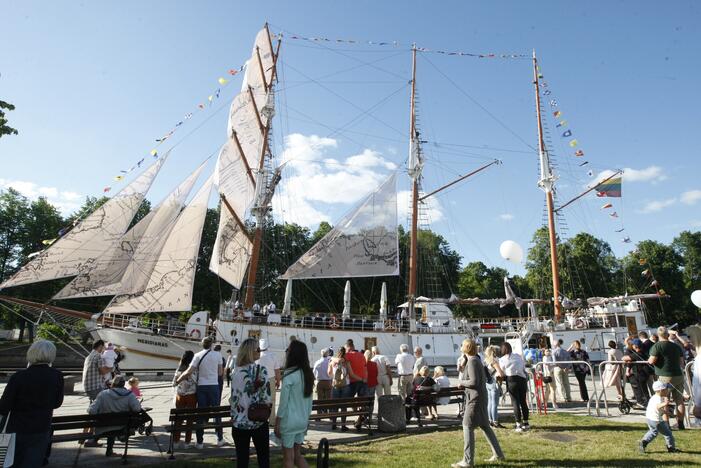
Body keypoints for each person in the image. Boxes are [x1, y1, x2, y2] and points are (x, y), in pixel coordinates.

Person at [0, 340, 64, 467]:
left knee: (12, 462)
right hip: (42, 426)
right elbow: (57, 403)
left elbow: (4, 406)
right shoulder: (57, 376)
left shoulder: (19, 376)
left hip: (17, 428)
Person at [452, 339, 505, 468]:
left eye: (462, 346)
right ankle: (498, 455)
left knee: (467, 425)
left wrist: (461, 383)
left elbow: (474, 382)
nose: (461, 348)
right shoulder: (475, 360)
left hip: (474, 400)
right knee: (485, 426)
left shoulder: (472, 361)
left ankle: (468, 461)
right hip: (480, 398)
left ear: (466, 348)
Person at [175, 337, 224, 448]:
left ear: (202, 344)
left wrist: (178, 380)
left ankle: (200, 442)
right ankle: (220, 439)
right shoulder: (218, 355)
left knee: (201, 413)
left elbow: (188, 371)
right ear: (211, 344)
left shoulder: (197, 355)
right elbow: (220, 373)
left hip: (201, 386)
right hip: (213, 386)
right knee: (216, 411)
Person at [230, 338, 272, 468]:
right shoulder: (262, 370)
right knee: (263, 458)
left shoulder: (235, 371)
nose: (260, 351)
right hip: (258, 420)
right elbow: (267, 397)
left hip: (239, 421)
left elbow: (234, 397)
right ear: (251, 352)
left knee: (242, 460)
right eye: (258, 349)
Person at [275, 340, 314, 468]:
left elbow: (283, 402)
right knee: (297, 455)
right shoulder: (308, 374)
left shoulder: (289, 374)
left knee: (288, 457)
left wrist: (277, 421)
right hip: (302, 420)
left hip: (289, 421)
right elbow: (309, 402)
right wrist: (306, 419)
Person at [88, 375, 143, 456]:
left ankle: (99, 443)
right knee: (114, 425)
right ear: (123, 385)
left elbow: (91, 411)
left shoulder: (103, 394)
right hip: (121, 427)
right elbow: (137, 409)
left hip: (103, 426)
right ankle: (112, 447)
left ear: (112, 384)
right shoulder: (130, 395)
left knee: (110, 424)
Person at [648, 326, 686, 429]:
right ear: (668, 334)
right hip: (678, 375)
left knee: (664, 401)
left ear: (658, 335)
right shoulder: (676, 346)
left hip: (665, 376)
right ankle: (681, 423)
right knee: (679, 401)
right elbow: (682, 363)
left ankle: (666, 425)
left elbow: (651, 361)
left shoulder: (657, 346)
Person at [493, 342, 529, 431]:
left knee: (515, 402)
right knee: (523, 401)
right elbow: (523, 368)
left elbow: (501, 373)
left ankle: (518, 424)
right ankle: (526, 423)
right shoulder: (518, 356)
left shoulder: (502, 359)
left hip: (511, 380)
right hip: (522, 379)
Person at [639, 381, 680, 454]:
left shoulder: (653, 397)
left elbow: (656, 409)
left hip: (650, 419)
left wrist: (667, 413)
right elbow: (658, 406)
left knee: (653, 432)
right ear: (661, 390)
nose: (667, 391)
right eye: (666, 389)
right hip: (657, 421)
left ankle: (643, 442)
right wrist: (666, 403)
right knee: (668, 434)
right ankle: (671, 448)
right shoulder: (658, 399)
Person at [328, 346, 358, 431]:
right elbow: (351, 374)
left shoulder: (332, 362)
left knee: (335, 406)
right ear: (345, 353)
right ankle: (343, 425)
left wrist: (334, 377)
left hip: (335, 386)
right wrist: (360, 378)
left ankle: (334, 424)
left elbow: (329, 373)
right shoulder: (347, 362)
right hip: (345, 386)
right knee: (343, 406)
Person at [172, 350, 197, 449]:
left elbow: (173, 383)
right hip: (191, 396)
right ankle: (187, 442)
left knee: (179, 419)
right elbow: (196, 380)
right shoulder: (193, 369)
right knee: (189, 420)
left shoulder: (179, 369)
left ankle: (176, 441)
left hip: (180, 396)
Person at [256, 339, 282, 427]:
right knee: (272, 400)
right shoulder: (273, 356)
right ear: (267, 347)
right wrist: (278, 381)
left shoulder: (256, 356)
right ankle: (271, 421)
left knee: (259, 399)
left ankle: (260, 419)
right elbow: (277, 371)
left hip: (259, 380)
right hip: (270, 379)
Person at [623, 339, 652, 409]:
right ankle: (646, 402)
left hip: (642, 373)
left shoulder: (638, 353)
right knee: (644, 388)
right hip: (644, 373)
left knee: (642, 389)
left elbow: (624, 358)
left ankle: (643, 403)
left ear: (635, 346)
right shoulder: (643, 351)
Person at [483, 345, 503, 427]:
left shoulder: (486, 361)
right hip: (495, 382)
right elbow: (500, 373)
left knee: (490, 403)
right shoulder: (494, 361)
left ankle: (490, 420)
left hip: (488, 382)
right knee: (495, 403)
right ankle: (495, 421)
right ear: (494, 352)